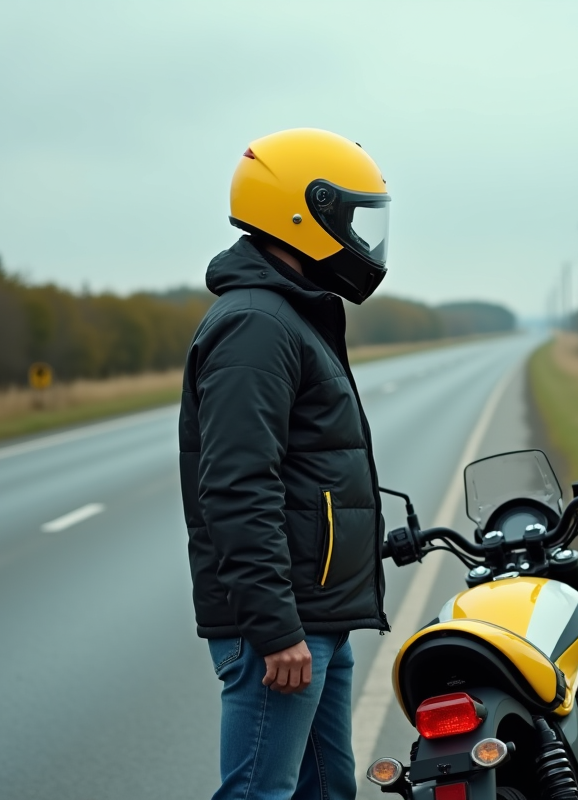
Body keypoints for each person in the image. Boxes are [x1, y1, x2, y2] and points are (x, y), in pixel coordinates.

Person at [179, 128, 392, 800]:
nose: (362, 239)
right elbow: (238, 488)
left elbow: (311, 471)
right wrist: (276, 631)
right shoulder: (258, 325)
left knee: (328, 794)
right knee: (259, 796)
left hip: (317, 616)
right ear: (306, 213)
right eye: (352, 217)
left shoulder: (296, 316)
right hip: (282, 631)